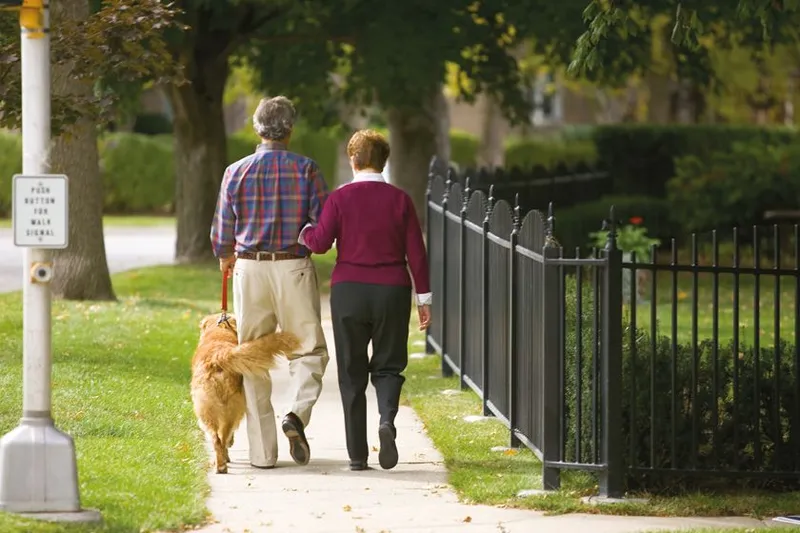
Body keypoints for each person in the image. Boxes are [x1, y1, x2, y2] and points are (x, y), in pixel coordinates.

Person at [298, 129, 431, 471]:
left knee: (351, 372)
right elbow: (417, 253)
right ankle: (386, 421)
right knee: (388, 366)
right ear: (384, 162)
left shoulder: (340, 199)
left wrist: (305, 232)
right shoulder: (400, 200)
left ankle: (357, 455)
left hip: (349, 292)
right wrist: (424, 299)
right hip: (392, 291)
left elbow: (321, 242)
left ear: (353, 161)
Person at [210, 96, 330, 469]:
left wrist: (225, 254)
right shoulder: (307, 169)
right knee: (308, 350)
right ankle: (296, 413)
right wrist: (305, 236)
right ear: (289, 129)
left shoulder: (235, 171)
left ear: (256, 129)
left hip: (249, 268)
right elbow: (322, 227)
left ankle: (262, 455)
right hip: (293, 267)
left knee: (251, 358)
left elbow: (221, 232)